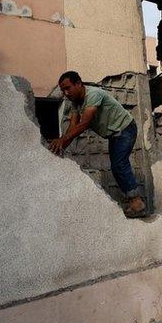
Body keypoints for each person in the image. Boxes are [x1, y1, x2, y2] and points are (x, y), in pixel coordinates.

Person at [50, 71, 145, 217]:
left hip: (125, 128)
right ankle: (133, 198)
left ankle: (137, 203)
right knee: (117, 165)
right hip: (114, 134)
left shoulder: (93, 95)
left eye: (68, 88)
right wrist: (61, 147)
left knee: (119, 164)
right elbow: (73, 126)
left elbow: (84, 124)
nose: (66, 93)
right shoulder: (75, 102)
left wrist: (61, 141)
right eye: (63, 90)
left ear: (78, 84)